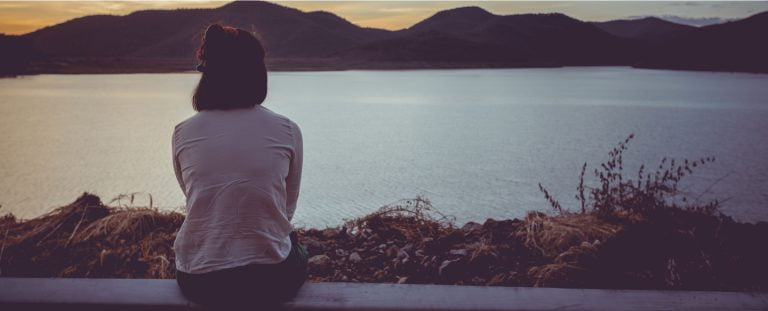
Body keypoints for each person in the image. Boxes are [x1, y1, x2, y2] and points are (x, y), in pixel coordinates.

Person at [171, 24, 307, 310]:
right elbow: (286, 209)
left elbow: (194, 197)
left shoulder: (183, 132)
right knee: (297, 247)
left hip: (198, 279)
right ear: (257, 72)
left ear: (207, 75)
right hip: (271, 278)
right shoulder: (287, 130)